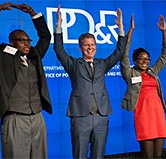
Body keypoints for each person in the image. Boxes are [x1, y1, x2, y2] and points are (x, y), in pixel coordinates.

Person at [53, 4, 128, 159]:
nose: (90, 47)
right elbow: (59, 50)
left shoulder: (102, 63)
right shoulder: (73, 64)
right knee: (79, 154)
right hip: (80, 116)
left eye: (92, 44)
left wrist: (120, 27)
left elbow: (119, 52)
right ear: (80, 48)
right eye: (86, 45)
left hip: (101, 116)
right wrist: (59, 26)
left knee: (98, 155)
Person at [0, 2, 52, 158]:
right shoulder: (1, 57)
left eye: (28, 40)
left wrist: (34, 14)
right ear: (12, 43)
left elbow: (45, 36)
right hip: (14, 118)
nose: (27, 43)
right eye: (22, 40)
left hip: (37, 117)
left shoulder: (35, 57)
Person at [120, 15, 166, 159]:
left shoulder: (153, 72)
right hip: (143, 115)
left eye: (147, 59)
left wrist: (164, 32)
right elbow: (123, 55)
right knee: (148, 156)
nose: (145, 61)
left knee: (158, 155)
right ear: (135, 60)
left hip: (158, 113)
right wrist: (131, 31)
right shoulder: (130, 73)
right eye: (141, 59)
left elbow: (165, 55)